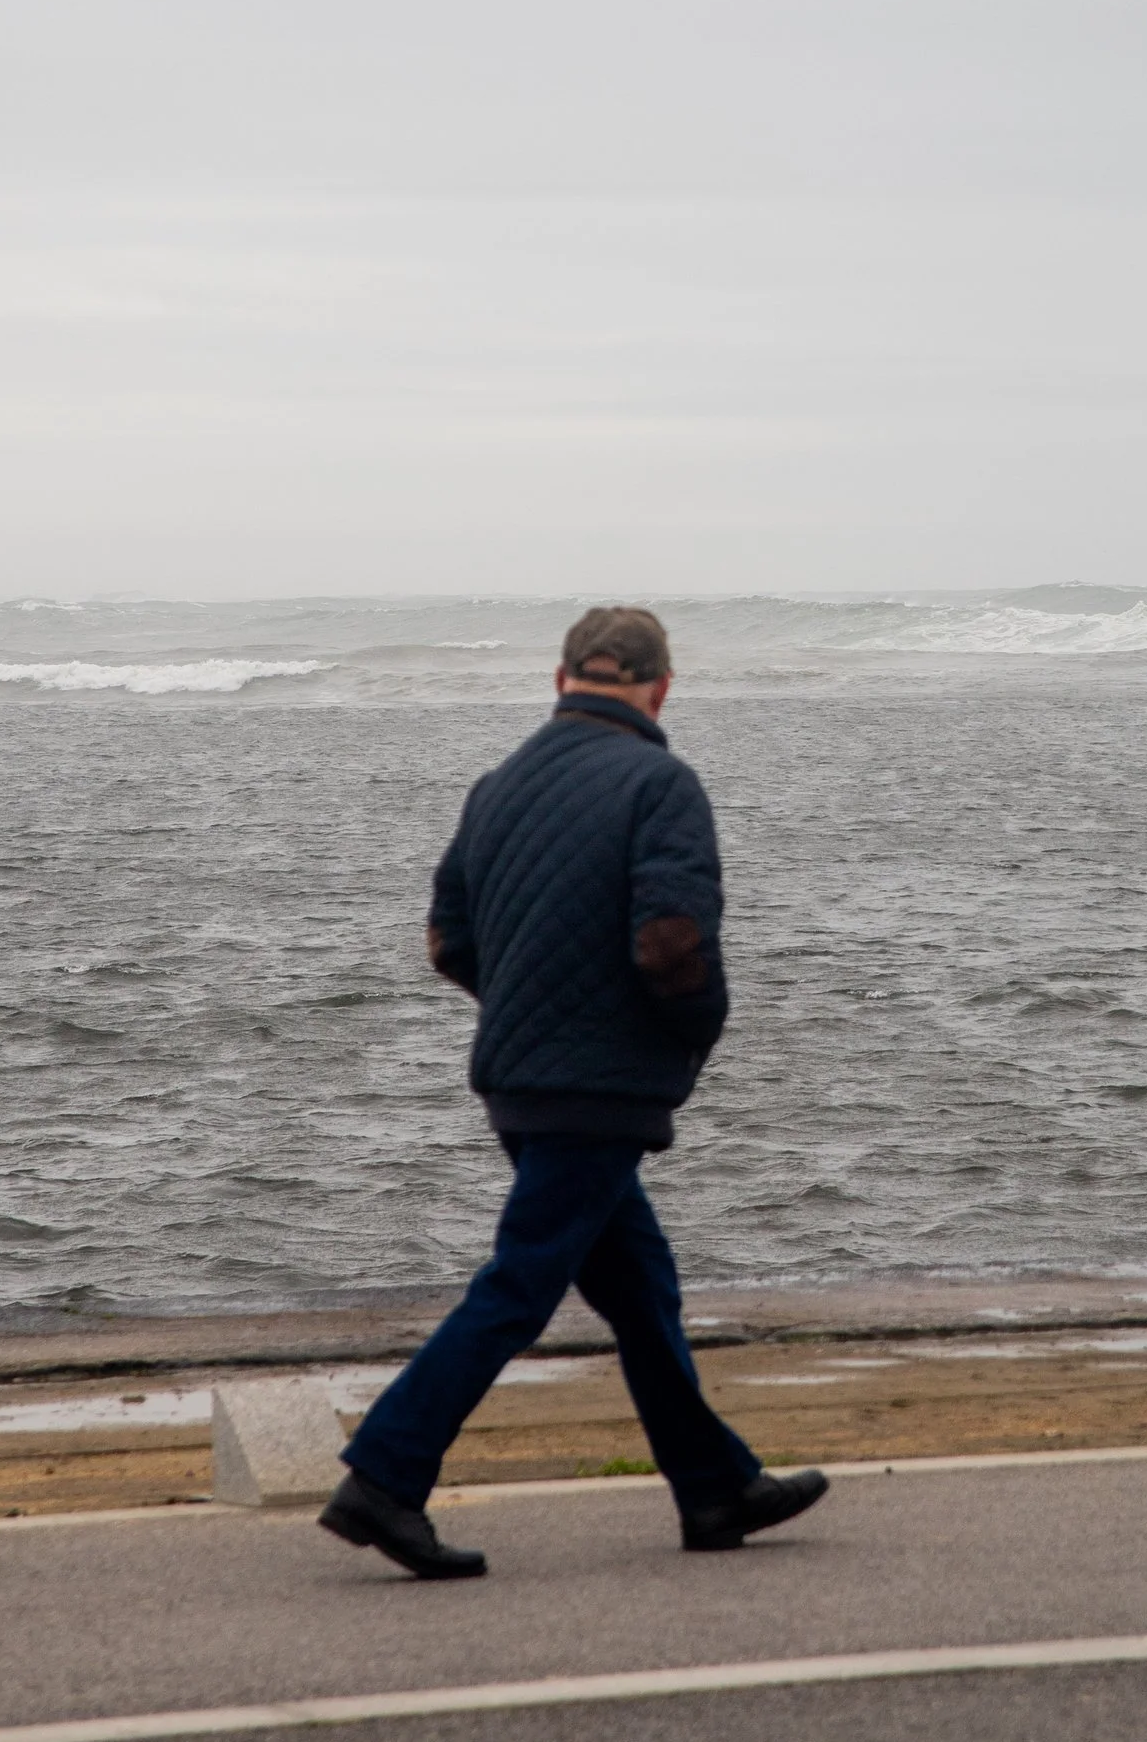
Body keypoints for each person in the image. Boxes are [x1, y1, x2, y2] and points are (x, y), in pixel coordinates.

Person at [319, 605, 828, 1579]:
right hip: (595, 1088)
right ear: (661, 689)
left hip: (518, 1076)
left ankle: (714, 1484)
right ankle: (383, 1476)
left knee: (641, 1294)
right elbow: (672, 941)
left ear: (561, 681)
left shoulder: (496, 786)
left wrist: (527, 1010)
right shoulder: (661, 783)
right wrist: (692, 1036)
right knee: (519, 1286)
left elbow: (447, 944)